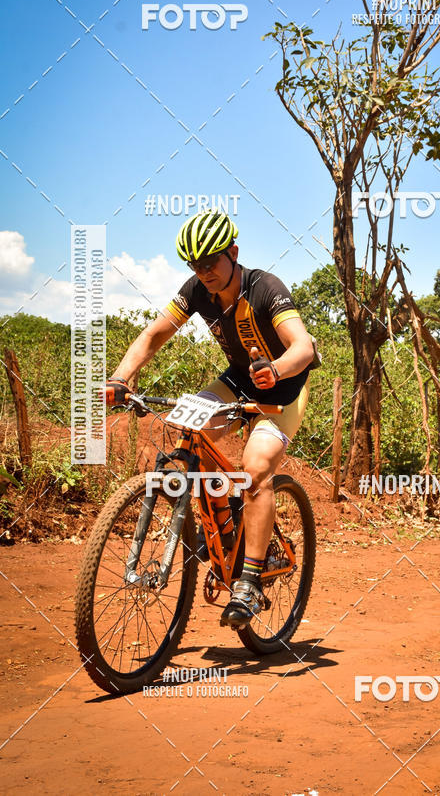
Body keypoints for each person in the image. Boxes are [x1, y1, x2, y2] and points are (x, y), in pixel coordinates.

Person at [104, 210, 315, 628]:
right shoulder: (197, 290)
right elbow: (154, 334)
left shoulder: (265, 288)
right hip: (239, 381)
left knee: (255, 470)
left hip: (285, 388)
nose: (203, 273)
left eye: (210, 263)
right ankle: (222, 525)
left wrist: (276, 368)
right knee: (187, 424)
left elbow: (303, 348)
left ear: (233, 253)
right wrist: (120, 378)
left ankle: (250, 580)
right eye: (194, 266)